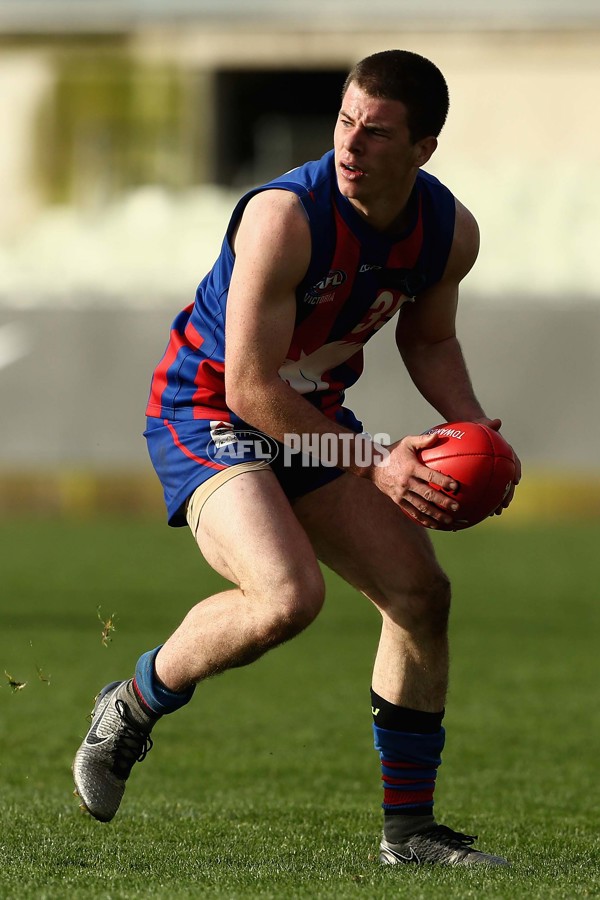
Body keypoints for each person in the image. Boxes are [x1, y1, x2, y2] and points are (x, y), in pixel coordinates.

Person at [73, 49, 520, 867]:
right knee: (287, 597)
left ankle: (409, 835)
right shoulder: (285, 216)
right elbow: (247, 387)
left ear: (424, 148)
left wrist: (476, 431)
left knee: (419, 596)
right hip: (207, 408)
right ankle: (130, 706)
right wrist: (375, 459)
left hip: (308, 414)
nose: (350, 146)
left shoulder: (449, 233)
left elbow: (431, 337)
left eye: (377, 133)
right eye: (346, 120)